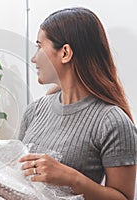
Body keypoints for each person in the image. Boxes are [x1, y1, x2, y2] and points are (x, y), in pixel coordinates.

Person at [18, 7, 137, 200]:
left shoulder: (113, 122)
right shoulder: (35, 111)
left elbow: (123, 198)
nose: (34, 58)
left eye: (40, 46)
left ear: (65, 52)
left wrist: (71, 178)